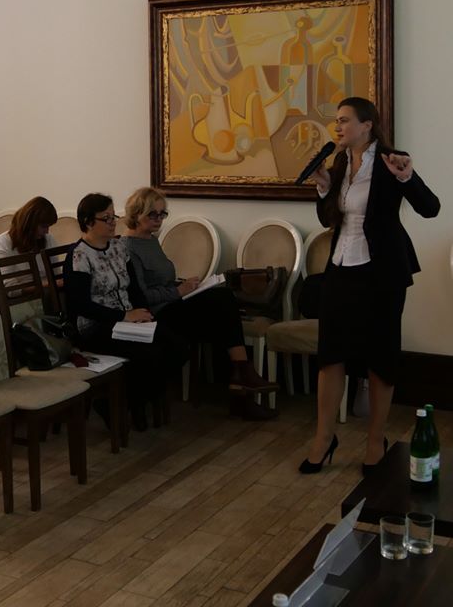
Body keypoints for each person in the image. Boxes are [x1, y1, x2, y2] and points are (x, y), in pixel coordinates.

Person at [300, 97, 440, 474]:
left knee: (381, 356)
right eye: (336, 121)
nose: (338, 127)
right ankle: (324, 438)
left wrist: (407, 177)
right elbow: (330, 219)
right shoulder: (339, 163)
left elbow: (431, 208)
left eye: (345, 120)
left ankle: (376, 440)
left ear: (367, 125)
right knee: (330, 355)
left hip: (383, 273)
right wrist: (324, 188)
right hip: (340, 268)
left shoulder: (391, 161)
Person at [121, 187, 278, 420]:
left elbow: (161, 280)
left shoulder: (151, 240)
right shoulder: (128, 247)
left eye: (163, 214)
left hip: (173, 302)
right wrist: (178, 291)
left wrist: (187, 285)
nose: (159, 220)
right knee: (223, 306)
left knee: (222, 310)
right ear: (136, 213)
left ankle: (241, 384)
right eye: (153, 214)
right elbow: (140, 296)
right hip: (156, 313)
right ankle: (242, 379)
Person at [63, 193, 181, 430]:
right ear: (88, 222)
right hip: (97, 327)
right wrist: (124, 316)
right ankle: (126, 404)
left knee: (177, 346)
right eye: (106, 218)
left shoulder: (118, 247)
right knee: (150, 354)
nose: (112, 222)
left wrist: (143, 313)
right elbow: (80, 305)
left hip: (128, 321)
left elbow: (134, 289)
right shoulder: (79, 256)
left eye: (113, 216)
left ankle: (128, 402)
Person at [0, 196, 58, 264]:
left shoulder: (48, 239)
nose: (46, 232)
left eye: (48, 226)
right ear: (30, 223)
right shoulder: (2, 244)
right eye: (43, 226)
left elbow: (56, 269)